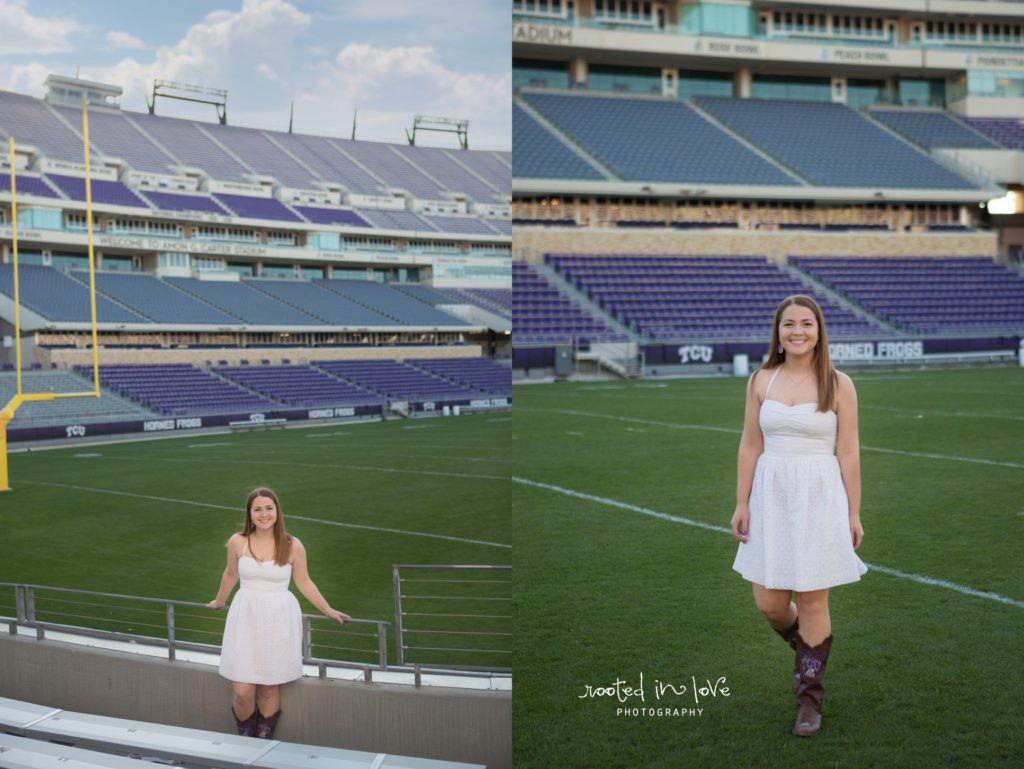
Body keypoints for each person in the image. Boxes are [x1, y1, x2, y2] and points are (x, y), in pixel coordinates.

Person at [730, 295, 866, 737]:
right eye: (789, 324)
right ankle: (809, 650)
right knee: (769, 602)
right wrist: (741, 502)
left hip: (820, 495)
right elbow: (750, 444)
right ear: (778, 332)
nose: (798, 331)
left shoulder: (838, 384)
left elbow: (848, 452)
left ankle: (810, 697)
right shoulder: (760, 380)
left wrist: (853, 512)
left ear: (819, 330)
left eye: (807, 323)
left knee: (812, 601)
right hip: (771, 495)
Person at [208, 487, 351, 739]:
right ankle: (246, 739)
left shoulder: (293, 545)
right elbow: (230, 574)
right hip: (245, 618)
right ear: (249, 514)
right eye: (258, 509)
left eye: (269, 508)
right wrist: (219, 601)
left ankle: (261, 743)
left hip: (278, 618)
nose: (264, 514)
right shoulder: (237, 542)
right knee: (242, 690)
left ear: (277, 511)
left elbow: (304, 582)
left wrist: (328, 610)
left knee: (269, 687)